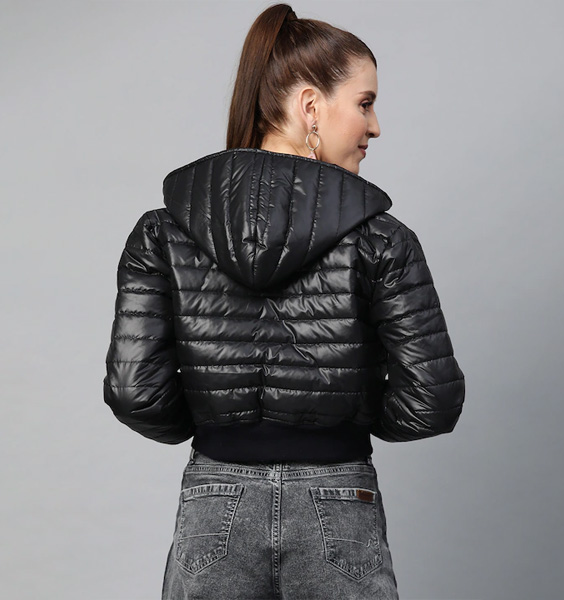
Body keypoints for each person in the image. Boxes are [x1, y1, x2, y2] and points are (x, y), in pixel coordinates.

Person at [103, 4, 465, 599]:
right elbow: (433, 399)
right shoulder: (382, 240)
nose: (375, 127)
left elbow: (133, 391)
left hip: (214, 500)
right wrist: (342, 416)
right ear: (311, 107)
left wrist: (219, 424)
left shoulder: (162, 234)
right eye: (365, 103)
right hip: (339, 500)